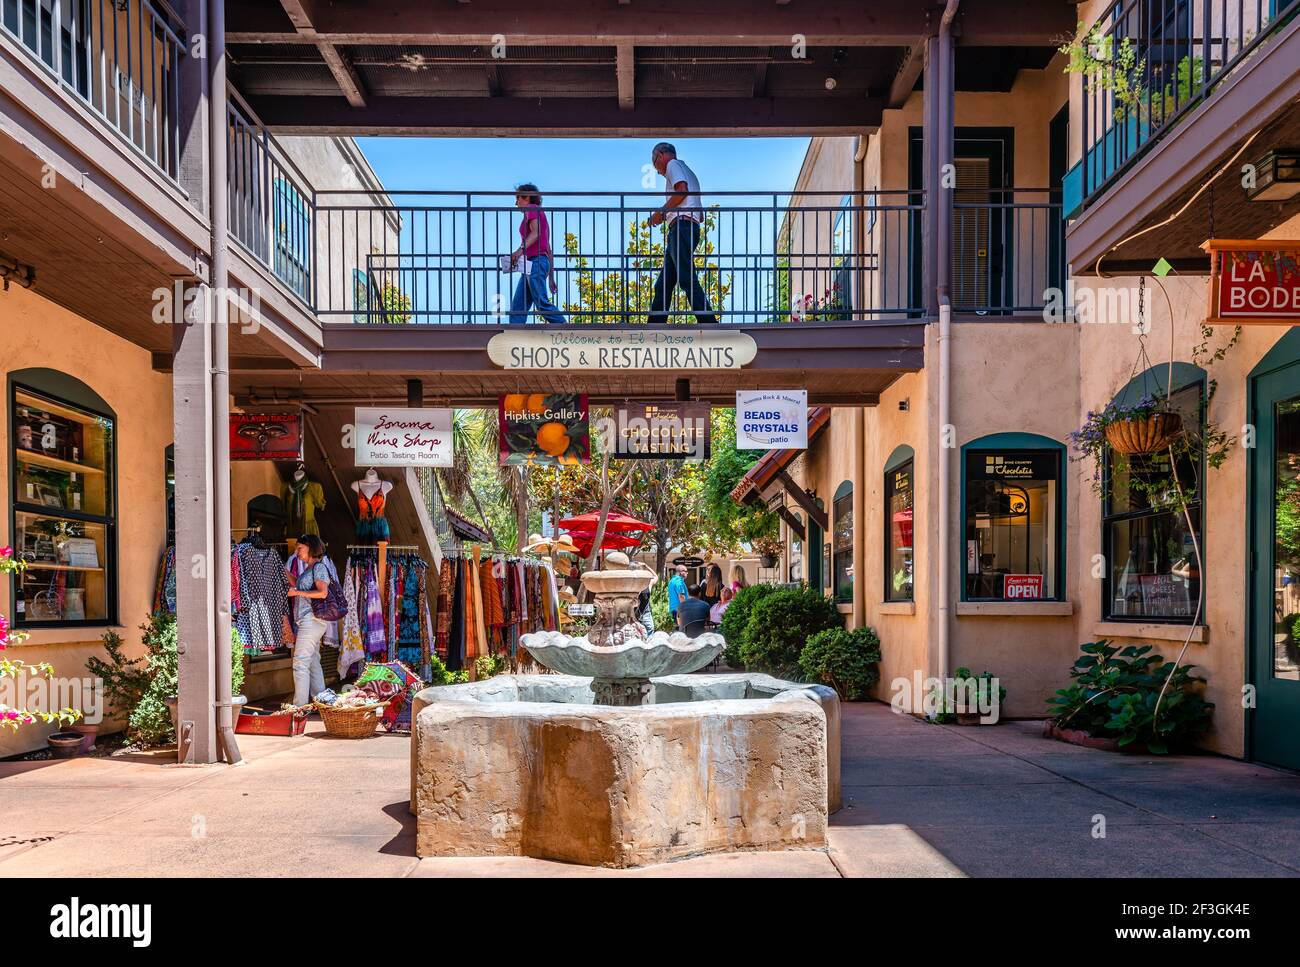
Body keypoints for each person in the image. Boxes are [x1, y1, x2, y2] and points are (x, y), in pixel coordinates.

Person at [647, 143, 718, 325]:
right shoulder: (689, 171)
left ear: (661, 155)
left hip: (681, 227)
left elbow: (682, 191)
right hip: (687, 228)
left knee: (686, 278)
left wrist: (661, 213)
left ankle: (709, 322)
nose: (657, 171)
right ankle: (654, 324)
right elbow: (700, 215)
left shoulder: (673, 165)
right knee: (664, 283)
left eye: (655, 164)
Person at [508, 183, 567, 325]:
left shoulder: (532, 208)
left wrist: (519, 250)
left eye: (518, 198)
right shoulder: (538, 213)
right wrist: (551, 277)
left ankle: (566, 330)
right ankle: (514, 337)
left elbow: (536, 232)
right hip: (533, 263)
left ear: (527, 197)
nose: (516, 203)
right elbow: (548, 249)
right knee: (518, 307)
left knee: (541, 302)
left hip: (536, 262)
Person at [286, 534, 331, 707]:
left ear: (310, 548)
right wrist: (286, 573)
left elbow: (323, 593)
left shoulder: (318, 568)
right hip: (311, 620)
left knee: (300, 662)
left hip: (311, 619)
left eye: (300, 548)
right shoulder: (309, 568)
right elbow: (300, 584)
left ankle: (299, 707)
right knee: (312, 661)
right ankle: (321, 702)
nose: (297, 552)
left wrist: (297, 593)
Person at [667, 563, 689, 628]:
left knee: (676, 631)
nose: (687, 573)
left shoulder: (672, 581)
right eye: (686, 571)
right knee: (682, 631)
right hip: (679, 611)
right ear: (681, 572)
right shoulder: (679, 581)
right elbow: (681, 596)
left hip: (673, 610)